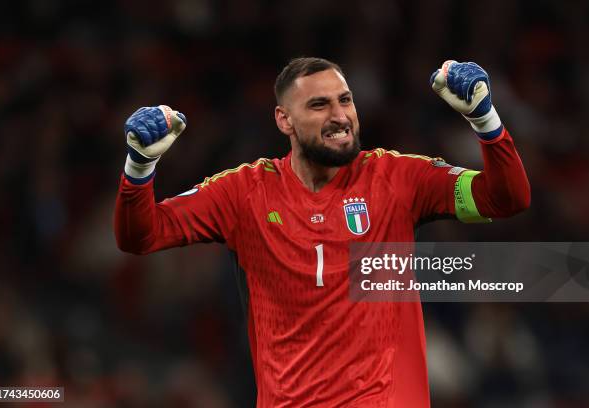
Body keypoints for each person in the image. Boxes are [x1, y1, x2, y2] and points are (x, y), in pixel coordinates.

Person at [114, 57, 530, 407]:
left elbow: (506, 198)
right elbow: (141, 236)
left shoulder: (397, 178)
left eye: (345, 100)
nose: (339, 116)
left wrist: (485, 120)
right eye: (318, 105)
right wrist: (139, 168)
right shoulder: (244, 192)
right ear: (285, 120)